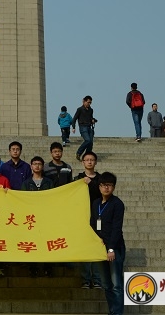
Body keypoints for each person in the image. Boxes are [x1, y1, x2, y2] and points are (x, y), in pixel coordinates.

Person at [91, 172, 125, 315]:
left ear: (114, 187)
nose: (106, 188)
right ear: (99, 187)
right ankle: (112, 311)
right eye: (104, 185)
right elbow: (93, 224)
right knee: (106, 284)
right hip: (100, 248)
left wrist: (111, 248)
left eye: (109, 185)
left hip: (114, 248)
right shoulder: (96, 203)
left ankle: (117, 313)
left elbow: (117, 229)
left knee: (116, 284)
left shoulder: (117, 204)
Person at [21, 156, 54, 277]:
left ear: (42, 166)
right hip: (31, 218)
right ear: (31, 166)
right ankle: (32, 267)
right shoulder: (26, 183)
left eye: (39, 164)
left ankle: (48, 266)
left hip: (45, 216)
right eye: (34, 164)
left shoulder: (49, 182)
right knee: (32, 242)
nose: (37, 166)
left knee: (46, 241)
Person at [73, 152, 102, 289]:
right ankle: (85, 279)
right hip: (82, 217)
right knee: (85, 248)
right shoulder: (78, 178)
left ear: (95, 162)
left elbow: (104, 193)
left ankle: (96, 279)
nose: (89, 162)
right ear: (83, 162)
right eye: (87, 160)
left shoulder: (101, 179)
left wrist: (92, 184)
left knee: (96, 246)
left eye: (92, 160)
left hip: (98, 217)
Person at [71, 96, 96, 160]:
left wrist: (93, 120)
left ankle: (87, 155)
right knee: (87, 140)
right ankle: (79, 152)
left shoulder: (91, 110)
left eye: (90, 103)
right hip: (83, 127)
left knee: (90, 143)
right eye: (88, 102)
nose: (89, 104)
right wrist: (73, 127)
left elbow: (91, 117)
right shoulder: (80, 109)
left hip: (89, 127)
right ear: (84, 101)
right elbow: (74, 119)